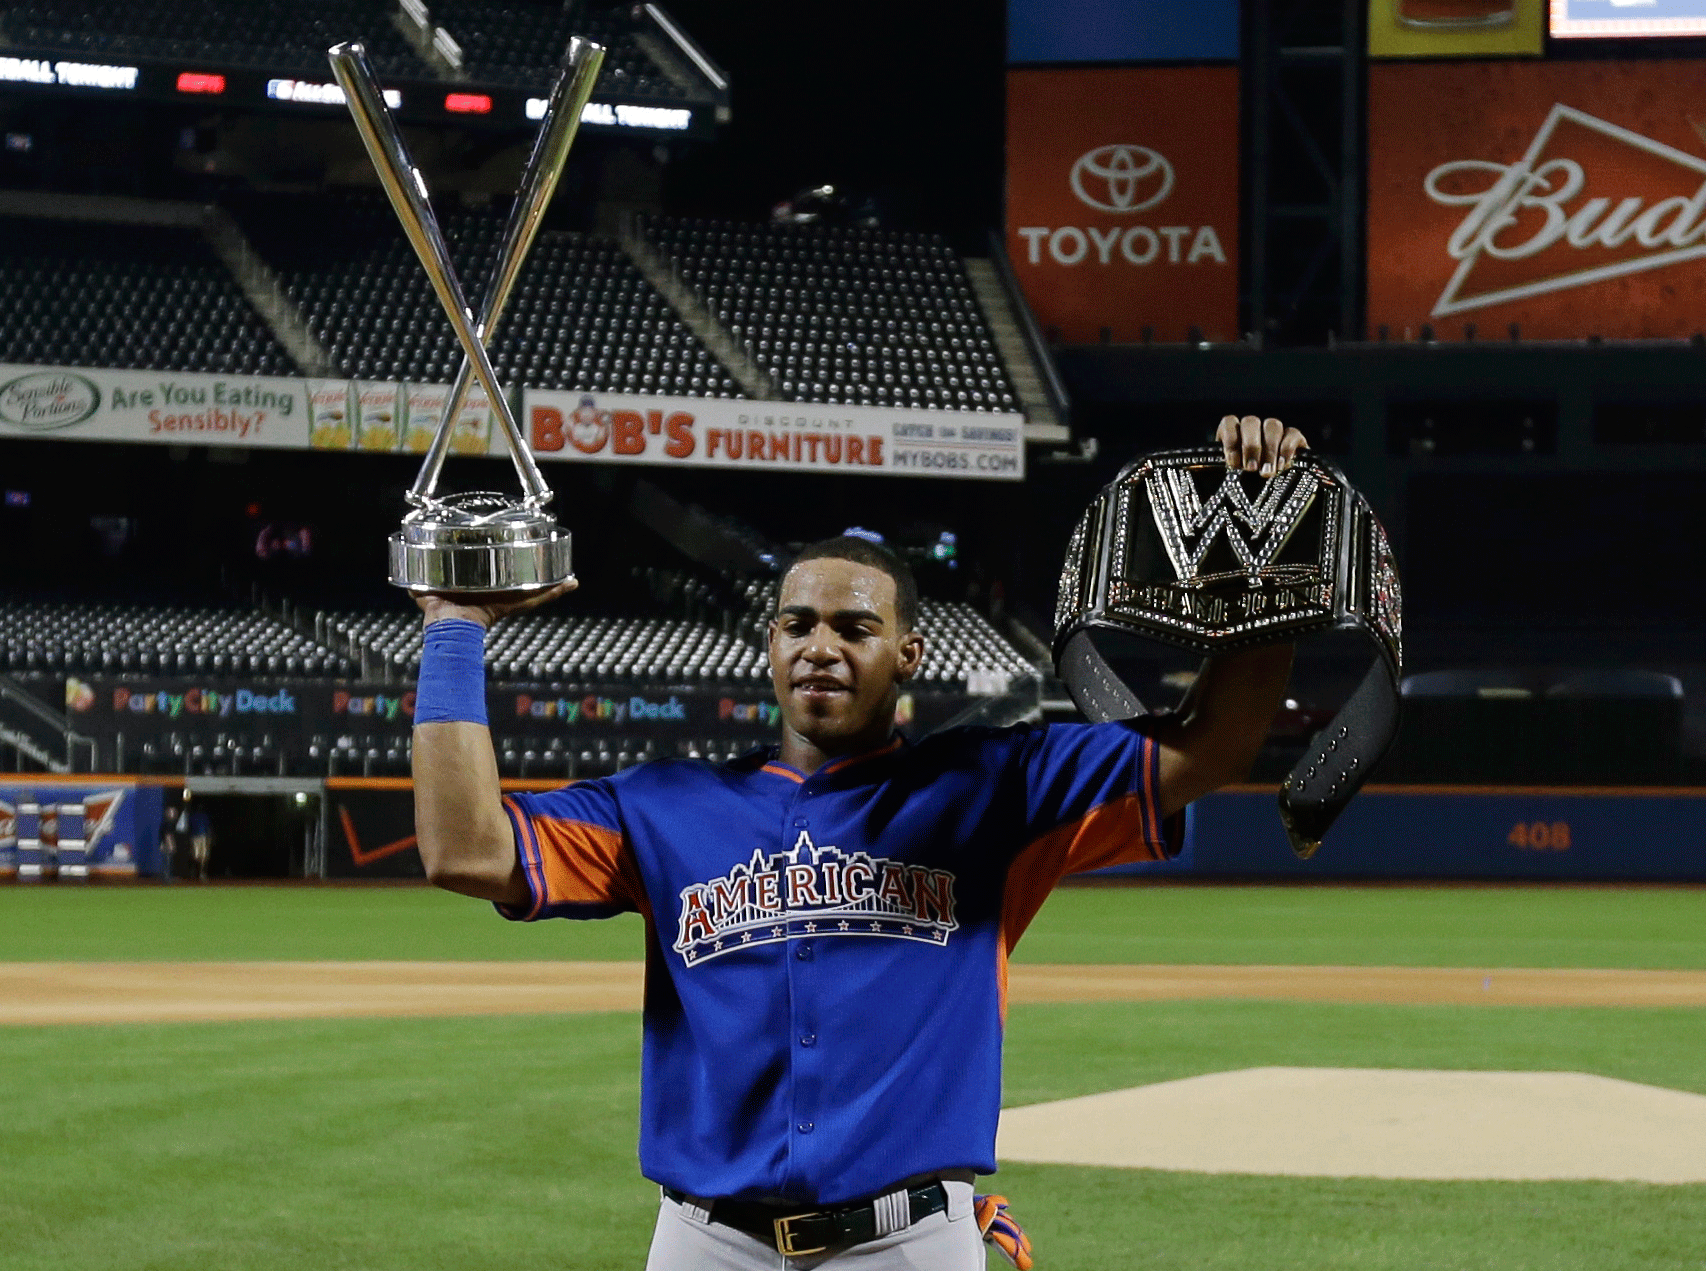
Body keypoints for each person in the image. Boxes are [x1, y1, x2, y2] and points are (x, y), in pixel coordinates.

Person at [411, 417, 1309, 1269]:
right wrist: (454, 628)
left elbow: (1212, 744)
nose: (820, 647)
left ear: (908, 653)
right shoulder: (664, 808)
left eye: (854, 627)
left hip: (908, 1239)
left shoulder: (995, 789)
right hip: (706, 1240)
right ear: (768, 643)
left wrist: (1260, 557)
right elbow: (464, 849)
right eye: (798, 623)